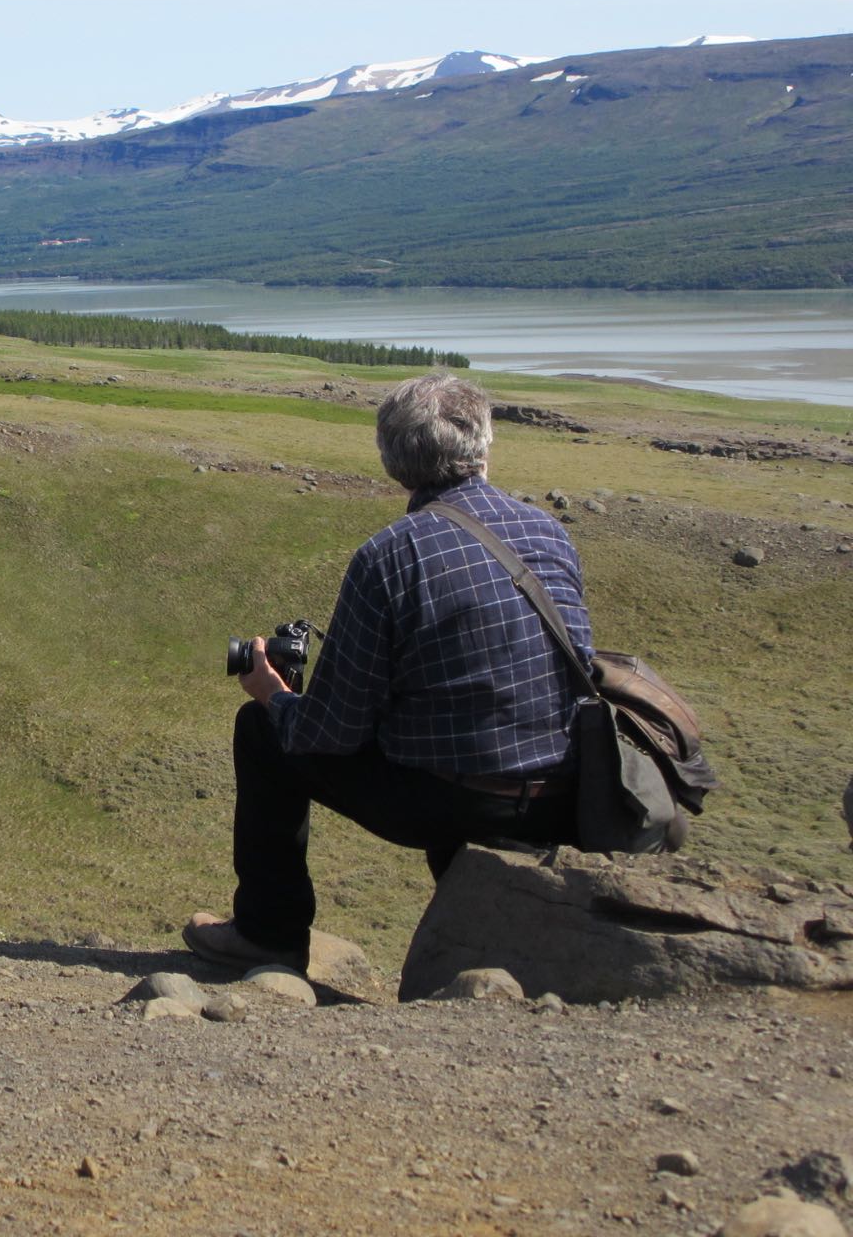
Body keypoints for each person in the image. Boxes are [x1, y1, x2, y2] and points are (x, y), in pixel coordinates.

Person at [184, 370, 590, 973]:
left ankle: (269, 934)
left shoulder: (390, 555)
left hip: (458, 801)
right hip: (561, 794)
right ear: (484, 443)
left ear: (393, 461)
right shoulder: (548, 532)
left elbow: (331, 731)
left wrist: (273, 695)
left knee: (262, 733)